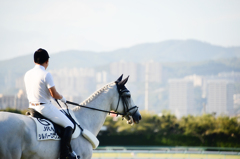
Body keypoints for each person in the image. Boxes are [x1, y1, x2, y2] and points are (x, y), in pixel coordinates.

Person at [24, 48, 78, 159]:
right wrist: (63, 98)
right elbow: (54, 94)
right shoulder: (46, 74)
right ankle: (65, 155)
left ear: (34, 61)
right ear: (47, 61)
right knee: (70, 125)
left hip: (31, 108)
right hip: (44, 107)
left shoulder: (27, 74)